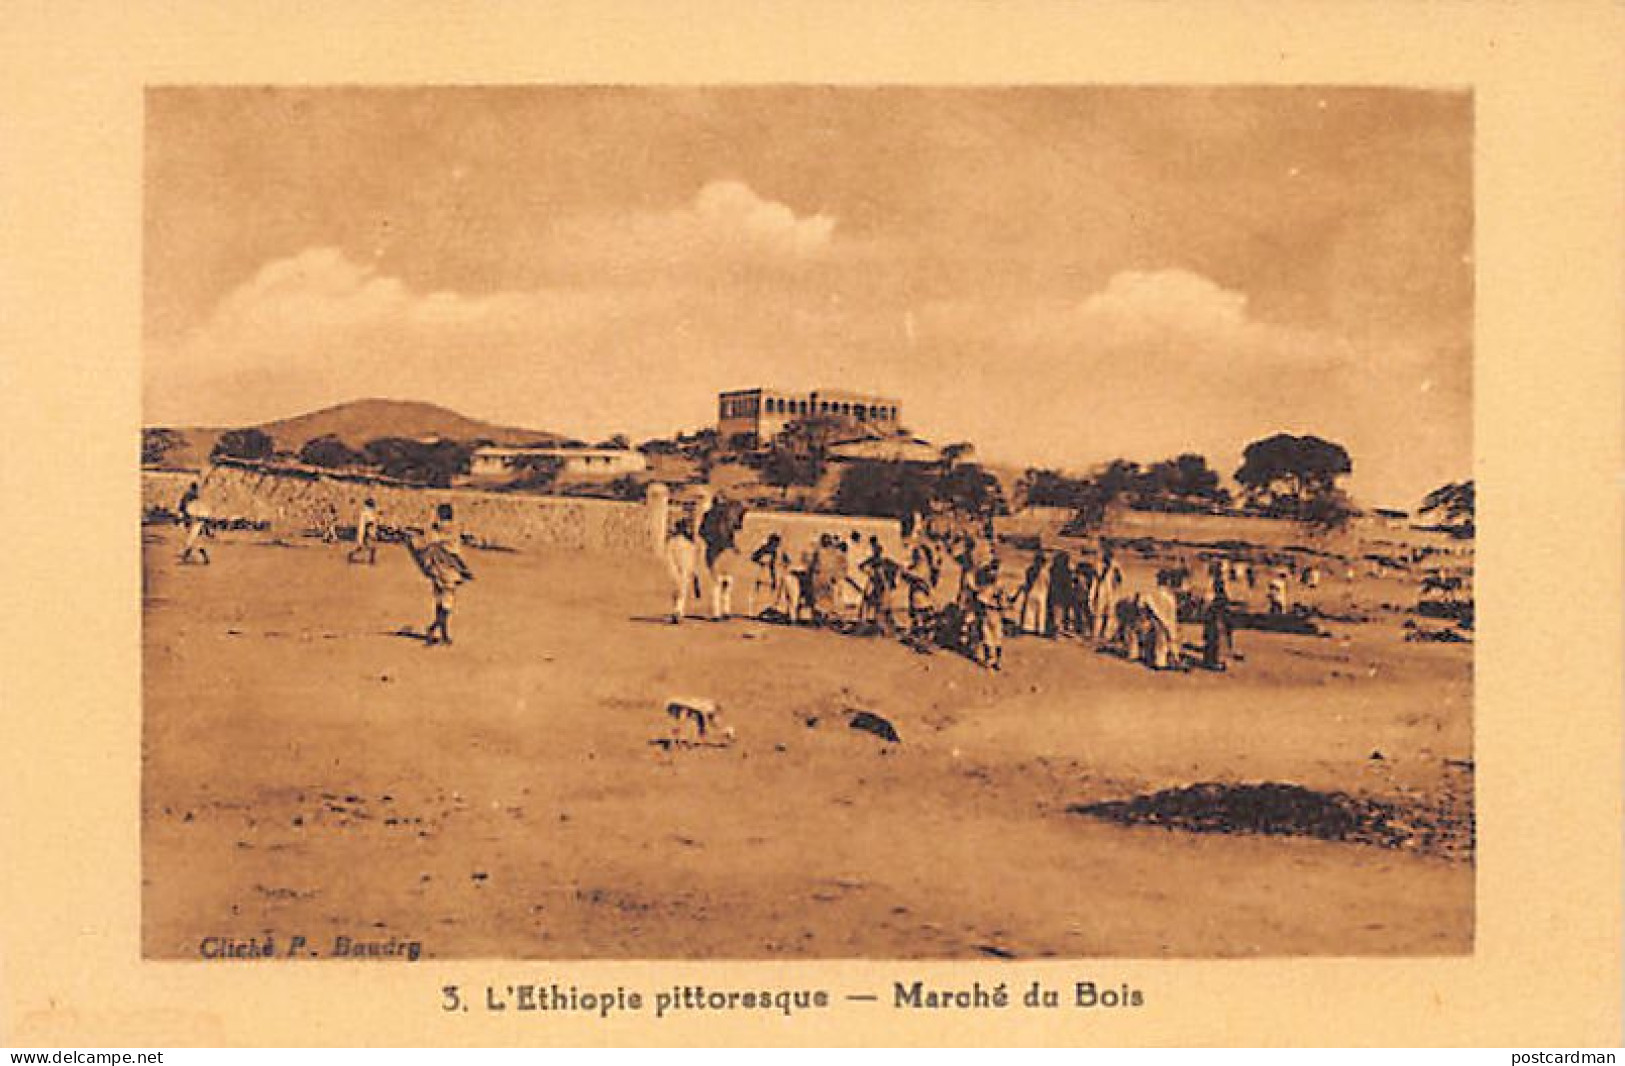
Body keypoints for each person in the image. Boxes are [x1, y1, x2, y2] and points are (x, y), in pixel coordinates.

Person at [405, 503, 473, 646]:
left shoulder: (436, 530)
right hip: (450, 571)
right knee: (447, 604)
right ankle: (439, 632)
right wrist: (464, 570)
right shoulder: (452, 530)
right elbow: (455, 553)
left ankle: (438, 631)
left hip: (437, 570)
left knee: (440, 601)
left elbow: (424, 545)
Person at [697, 493, 741, 621]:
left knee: (715, 582)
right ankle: (726, 609)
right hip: (728, 549)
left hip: (713, 549)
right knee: (728, 580)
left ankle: (716, 612)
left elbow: (702, 532)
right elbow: (737, 528)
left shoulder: (709, 515)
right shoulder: (730, 515)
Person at [858, 536, 900, 635]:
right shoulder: (874, 560)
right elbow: (861, 566)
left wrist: (892, 579)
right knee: (869, 601)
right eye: (874, 550)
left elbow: (897, 567)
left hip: (880, 584)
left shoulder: (884, 561)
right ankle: (867, 621)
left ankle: (878, 623)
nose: (875, 552)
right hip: (876, 583)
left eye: (876, 551)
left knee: (879, 604)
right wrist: (869, 572)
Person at [663, 513, 700, 624]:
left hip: (679, 569)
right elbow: (692, 560)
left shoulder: (673, 542)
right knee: (681, 590)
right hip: (683, 569)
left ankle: (677, 611)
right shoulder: (688, 544)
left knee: (678, 591)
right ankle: (678, 611)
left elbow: (669, 557)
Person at [1201, 559, 1235, 671]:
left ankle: (1214, 660)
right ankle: (1215, 661)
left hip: (1217, 613)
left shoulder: (1216, 583)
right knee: (1217, 637)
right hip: (1217, 613)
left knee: (1216, 637)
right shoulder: (1217, 583)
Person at [1090, 548, 1124, 641]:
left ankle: (1103, 634)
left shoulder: (1115, 566)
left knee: (1108, 614)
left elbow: (1119, 579)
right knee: (1099, 613)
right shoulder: (1098, 565)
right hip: (1101, 591)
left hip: (1110, 592)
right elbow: (1096, 579)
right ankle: (1096, 634)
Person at [177, 480, 211, 565]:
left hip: (194, 523)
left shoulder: (189, 497)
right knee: (195, 542)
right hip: (195, 522)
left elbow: (183, 508)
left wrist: (183, 518)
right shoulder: (194, 497)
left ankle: (185, 559)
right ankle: (203, 558)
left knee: (190, 542)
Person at [1019, 548, 1051, 636]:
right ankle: (1040, 629)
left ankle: (1028, 627)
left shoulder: (1030, 570)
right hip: (1042, 593)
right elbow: (1048, 583)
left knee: (1030, 611)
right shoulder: (1045, 572)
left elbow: (1027, 581)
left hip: (1031, 592)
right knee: (1041, 612)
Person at [348, 497, 379, 565]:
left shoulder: (365, 512)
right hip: (365, 532)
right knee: (365, 547)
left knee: (368, 547)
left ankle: (371, 559)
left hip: (364, 532)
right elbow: (369, 523)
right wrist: (371, 533)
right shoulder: (367, 513)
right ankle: (351, 555)